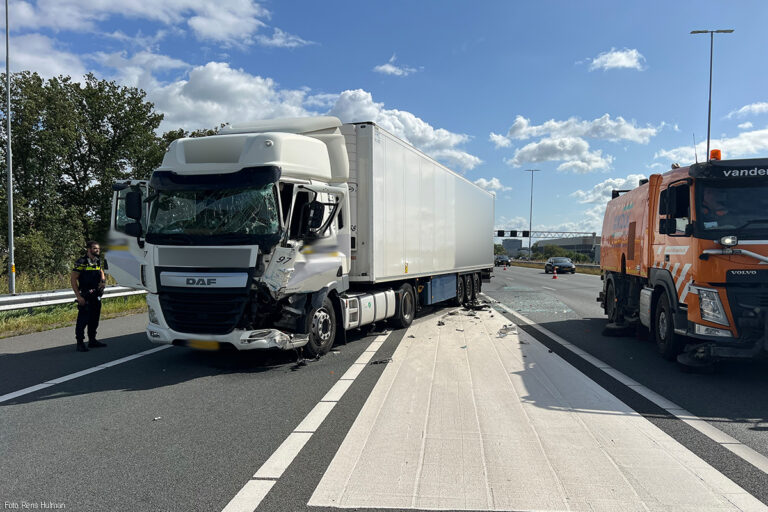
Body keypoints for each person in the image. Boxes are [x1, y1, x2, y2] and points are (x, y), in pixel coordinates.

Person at [71, 241, 107, 352]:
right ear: (89, 249)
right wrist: (79, 296)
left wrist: (103, 280)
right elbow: (73, 279)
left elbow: (101, 271)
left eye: (98, 249)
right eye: (95, 248)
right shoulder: (81, 262)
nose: (98, 250)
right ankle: (80, 343)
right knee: (83, 320)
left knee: (94, 319)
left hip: (96, 295)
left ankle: (92, 340)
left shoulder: (97, 261)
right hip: (85, 295)